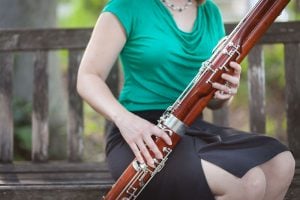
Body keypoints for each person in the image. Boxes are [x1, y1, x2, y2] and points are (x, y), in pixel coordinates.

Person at [77, 0, 295, 199]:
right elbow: (88, 77)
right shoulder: (127, 6)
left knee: (282, 163)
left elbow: (214, 101)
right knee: (249, 183)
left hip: (190, 126)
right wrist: (125, 120)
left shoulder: (210, 12)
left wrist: (223, 92)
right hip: (139, 135)